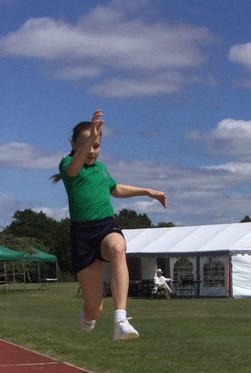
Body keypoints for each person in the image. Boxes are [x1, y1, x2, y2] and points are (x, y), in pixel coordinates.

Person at [53, 112, 167, 341]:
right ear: (74, 144)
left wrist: (147, 191)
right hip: (82, 236)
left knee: (117, 247)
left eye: (96, 145)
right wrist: (90, 137)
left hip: (105, 227)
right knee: (95, 309)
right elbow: (74, 168)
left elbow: (115, 189)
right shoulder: (68, 165)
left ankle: (121, 319)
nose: (92, 150)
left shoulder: (102, 170)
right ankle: (88, 317)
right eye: (86, 145)